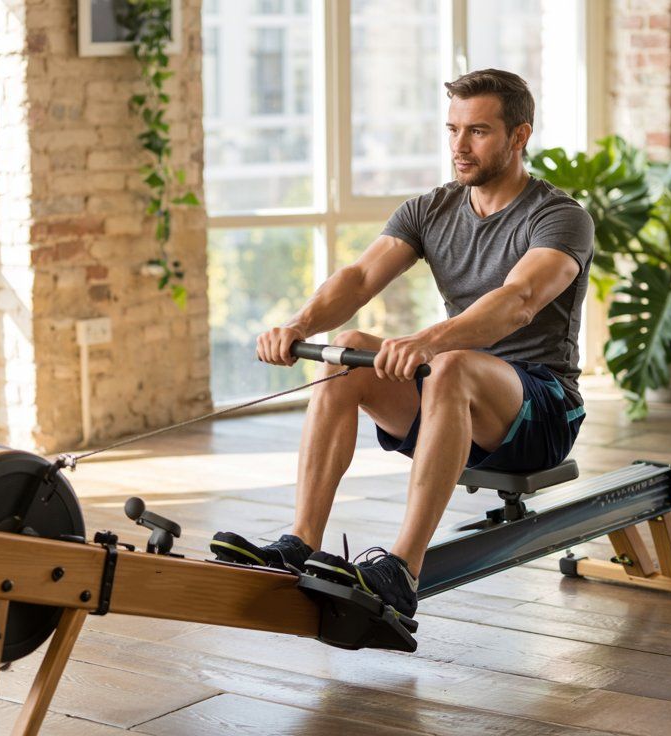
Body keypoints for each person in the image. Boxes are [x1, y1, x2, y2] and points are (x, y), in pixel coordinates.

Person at [211, 69, 594, 619]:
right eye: (453, 130)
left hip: (543, 409)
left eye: (479, 132)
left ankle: (401, 571)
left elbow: (520, 300)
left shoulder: (559, 217)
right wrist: (299, 326)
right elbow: (360, 279)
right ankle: (299, 542)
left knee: (453, 365)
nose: (460, 147)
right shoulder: (431, 209)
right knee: (349, 349)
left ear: (519, 136)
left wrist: (429, 341)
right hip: (452, 396)